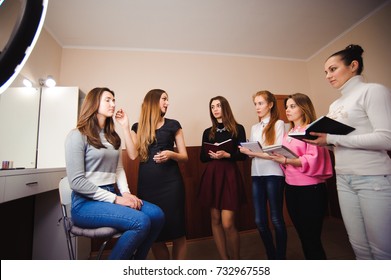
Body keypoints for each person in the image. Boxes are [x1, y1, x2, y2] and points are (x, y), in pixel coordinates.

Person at [307, 44, 391, 259]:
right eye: (325, 72)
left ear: (353, 66)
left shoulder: (373, 91)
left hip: (372, 179)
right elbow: (339, 142)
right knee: (358, 246)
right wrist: (323, 142)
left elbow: (386, 138)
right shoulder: (335, 104)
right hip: (344, 178)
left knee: (382, 250)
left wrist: (333, 138)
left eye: (333, 69)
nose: (328, 76)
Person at [64, 87, 165, 260]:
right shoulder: (77, 135)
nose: (113, 103)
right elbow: (76, 182)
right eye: (108, 100)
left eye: (113, 100)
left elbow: (118, 170)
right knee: (140, 222)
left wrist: (126, 193)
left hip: (111, 195)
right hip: (85, 204)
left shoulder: (112, 137)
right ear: (94, 103)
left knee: (156, 215)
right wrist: (118, 199)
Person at [116, 89, 188, 260]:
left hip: (172, 185)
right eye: (164, 99)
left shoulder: (174, 125)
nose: (167, 103)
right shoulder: (137, 127)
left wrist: (171, 154)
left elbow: (184, 157)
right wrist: (125, 127)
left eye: (167, 99)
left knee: (178, 233)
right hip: (148, 187)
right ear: (153, 101)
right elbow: (133, 155)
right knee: (155, 235)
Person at [269, 93, 333, 260]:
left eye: (292, 106)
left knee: (312, 238)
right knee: (303, 237)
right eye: (287, 107)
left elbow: (313, 158)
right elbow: (287, 159)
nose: (288, 110)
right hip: (291, 189)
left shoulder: (313, 130)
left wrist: (286, 159)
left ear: (303, 108)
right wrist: (281, 159)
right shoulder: (289, 132)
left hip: (311, 190)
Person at [239, 90, 287, 260]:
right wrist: (247, 151)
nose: (257, 107)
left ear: (270, 104)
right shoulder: (254, 127)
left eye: (260, 103)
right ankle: (271, 255)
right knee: (260, 221)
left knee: (276, 219)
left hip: (274, 174)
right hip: (256, 175)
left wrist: (253, 152)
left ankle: (280, 258)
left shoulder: (279, 124)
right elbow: (254, 152)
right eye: (255, 104)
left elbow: (275, 154)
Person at [199, 96, 247, 260]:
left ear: (225, 107)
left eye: (218, 106)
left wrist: (227, 154)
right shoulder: (208, 132)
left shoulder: (238, 128)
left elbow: (243, 156)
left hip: (229, 175)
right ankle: (225, 261)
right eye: (212, 107)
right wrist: (211, 154)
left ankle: (236, 261)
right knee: (215, 219)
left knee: (228, 223)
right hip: (212, 175)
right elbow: (202, 158)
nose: (215, 109)